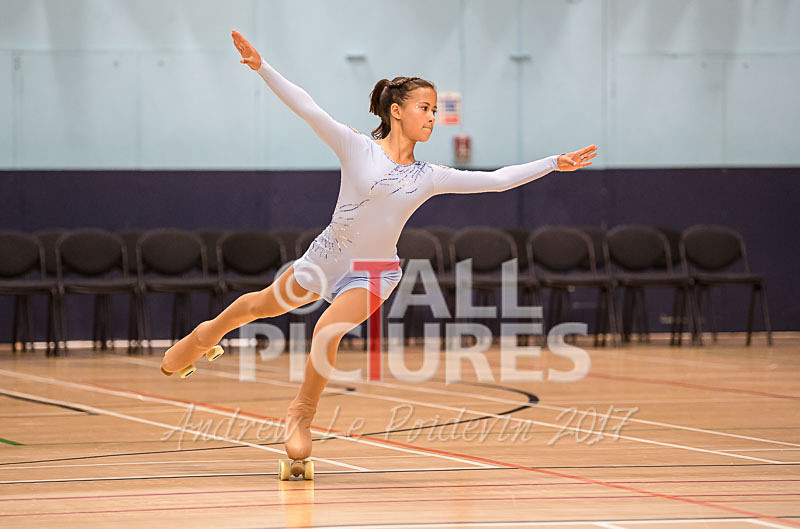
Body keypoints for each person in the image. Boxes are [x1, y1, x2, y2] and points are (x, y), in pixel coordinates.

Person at [161, 29, 597, 472]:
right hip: (325, 259)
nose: (432, 117)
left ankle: (301, 414)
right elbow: (307, 107)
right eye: (424, 108)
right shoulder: (356, 147)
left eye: (435, 110)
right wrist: (262, 67)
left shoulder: (430, 175)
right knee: (258, 306)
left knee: (326, 331)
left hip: (374, 273)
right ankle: (204, 337)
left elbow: (497, 180)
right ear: (396, 111)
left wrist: (552, 163)